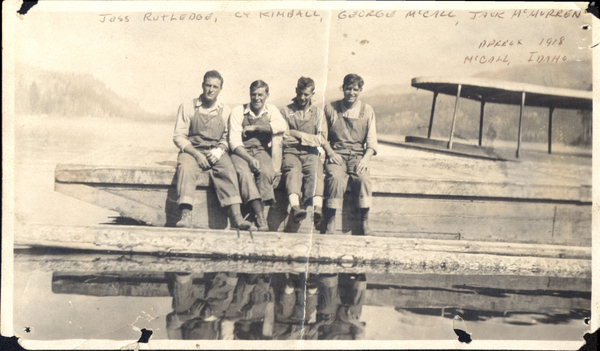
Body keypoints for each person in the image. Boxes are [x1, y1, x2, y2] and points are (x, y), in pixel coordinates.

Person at [173, 70, 251, 230]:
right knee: (186, 168)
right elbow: (179, 136)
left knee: (228, 168)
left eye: (215, 87)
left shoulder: (225, 110)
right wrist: (196, 154)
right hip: (192, 150)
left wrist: (220, 150)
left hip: (215, 151)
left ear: (220, 89)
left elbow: (228, 137)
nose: (210, 90)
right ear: (202, 86)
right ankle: (186, 215)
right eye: (208, 85)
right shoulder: (188, 106)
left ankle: (236, 216)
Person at [321, 74, 378, 235]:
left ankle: (365, 221)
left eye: (355, 89)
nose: (351, 92)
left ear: (360, 90)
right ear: (343, 88)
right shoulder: (330, 108)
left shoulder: (367, 111)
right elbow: (322, 136)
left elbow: (372, 142)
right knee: (335, 177)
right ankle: (330, 221)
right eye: (348, 88)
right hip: (337, 154)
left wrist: (366, 160)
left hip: (357, 156)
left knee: (363, 178)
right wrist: (330, 152)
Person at [229, 80, 288, 231]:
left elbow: (282, 126)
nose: (257, 98)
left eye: (260, 95)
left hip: (261, 151)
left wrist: (255, 127)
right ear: (249, 94)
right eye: (253, 94)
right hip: (241, 152)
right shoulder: (238, 111)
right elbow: (234, 142)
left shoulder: (271, 110)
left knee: (267, 172)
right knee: (244, 173)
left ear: (267, 95)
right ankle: (261, 218)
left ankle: (255, 215)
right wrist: (249, 159)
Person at [280, 77, 326, 226]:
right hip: (291, 153)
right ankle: (295, 207)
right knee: (293, 170)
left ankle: (317, 208)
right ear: (296, 91)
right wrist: (306, 138)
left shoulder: (318, 113)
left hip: (311, 153)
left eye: (306, 94)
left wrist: (296, 134)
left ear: (313, 94)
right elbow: (284, 138)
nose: (302, 98)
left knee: (316, 170)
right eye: (300, 93)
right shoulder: (285, 111)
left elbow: (320, 139)